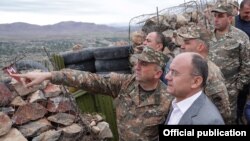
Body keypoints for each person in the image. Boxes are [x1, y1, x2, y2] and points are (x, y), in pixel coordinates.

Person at [12, 46, 173, 141]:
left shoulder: (170, 100)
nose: (137, 66)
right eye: (137, 62)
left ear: (158, 73)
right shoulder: (125, 83)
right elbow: (89, 79)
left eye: (144, 64)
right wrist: (49, 75)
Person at [178, 26, 231, 123]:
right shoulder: (193, 68)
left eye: (187, 43)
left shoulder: (210, 72)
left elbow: (223, 111)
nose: (182, 46)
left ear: (200, 47)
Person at [210, 4, 250, 124]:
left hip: (230, 90)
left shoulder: (240, 37)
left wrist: (238, 86)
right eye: (215, 16)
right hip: (210, 88)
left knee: (229, 119)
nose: (216, 19)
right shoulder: (207, 36)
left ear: (230, 18)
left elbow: (247, 64)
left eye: (221, 16)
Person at [164, 52, 224, 125]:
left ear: (196, 82)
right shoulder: (177, 103)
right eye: (169, 71)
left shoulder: (209, 121)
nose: (167, 77)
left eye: (175, 73)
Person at [235, 0, 250, 124]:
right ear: (239, 10)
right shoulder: (233, 22)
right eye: (246, 13)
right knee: (241, 92)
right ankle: (238, 115)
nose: (248, 15)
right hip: (239, 66)